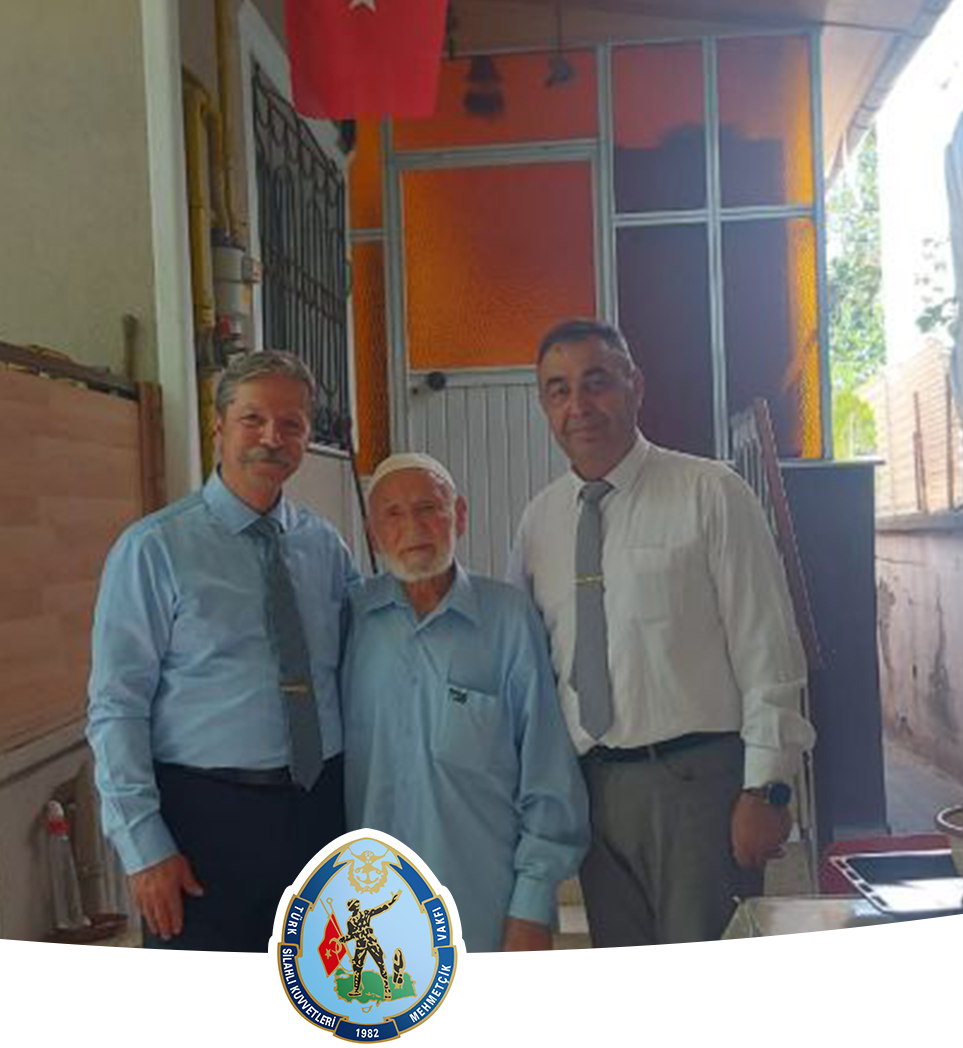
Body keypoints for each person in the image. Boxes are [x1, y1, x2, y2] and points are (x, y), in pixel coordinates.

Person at [508, 319, 814, 946]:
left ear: (635, 386)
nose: (578, 405)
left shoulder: (711, 493)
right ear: (545, 406)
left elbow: (768, 649)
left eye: (597, 382)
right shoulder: (540, 522)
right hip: (592, 791)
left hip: (698, 787)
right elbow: (528, 665)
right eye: (559, 390)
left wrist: (767, 787)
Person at [87, 350, 358, 952]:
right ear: (218, 426)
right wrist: (144, 847)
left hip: (320, 815)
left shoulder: (325, 548)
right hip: (204, 824)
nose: (272, 437)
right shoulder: (154, 550)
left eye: (291, 423)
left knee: (320, 991)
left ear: (307, 437)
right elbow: (116, 707)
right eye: (253, 419)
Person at [345, 452, 588, 953]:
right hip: (370, 918)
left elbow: (547, 775)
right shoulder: (350, 622)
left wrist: (532, 906)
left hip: (484, 914)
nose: (414, 527)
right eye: (393, 514)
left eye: (428, 508)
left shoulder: (509, 620)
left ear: (459, 515)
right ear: (373, 533)